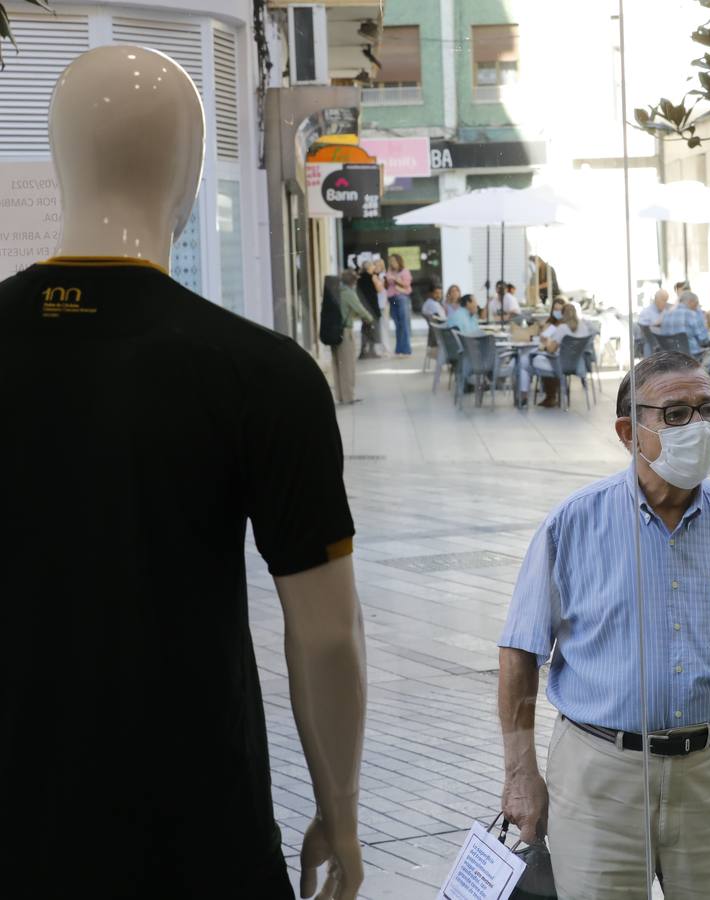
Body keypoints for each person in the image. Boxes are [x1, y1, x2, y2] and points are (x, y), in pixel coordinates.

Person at [1, 44, 367, 900]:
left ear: (59, 164)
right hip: (197, 833)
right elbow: (327, 635)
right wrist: (340, 811)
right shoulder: (262, 376)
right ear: (193, 178)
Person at [498, 351, 710, 900]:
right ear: (628, 431)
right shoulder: (572, 524)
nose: (698, 427)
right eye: (674, 414)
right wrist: (521, 774)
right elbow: (519, 654)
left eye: (708, 409)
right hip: (600, 776)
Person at [517, 300, 589, 407]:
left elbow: (551, 350)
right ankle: (551, 396)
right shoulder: (584, 327)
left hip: (560, 365)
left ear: (563, 314)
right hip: (578, 365)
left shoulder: (562, 328)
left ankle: (538, 397)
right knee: (543, 360)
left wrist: (547, 343)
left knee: (530, 361)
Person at [662, 291, 710, 382]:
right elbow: (703, 339)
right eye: (696, 303)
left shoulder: (666, 314)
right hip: (692, 355)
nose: (697, 307)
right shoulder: (691, 314)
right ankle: (699, 382)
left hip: (671, 356)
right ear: (690, 302)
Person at [333, 270, 374, 405]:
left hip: (334, 331)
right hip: (345, 332)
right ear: (353, 281)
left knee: (337, 364)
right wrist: (370, 318)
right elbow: (360, 309)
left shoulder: (336, 291)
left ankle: (340, 395)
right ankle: (348, 396)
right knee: (348, 365)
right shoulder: (349, 293)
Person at [386, 253, 414, 356]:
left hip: (402, 298)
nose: (392, 262)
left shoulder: (405, 271)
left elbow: (407, 284)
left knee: (404, 323)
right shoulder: (390, 271)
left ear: (398, 261)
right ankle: (398, 349)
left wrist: (396, 280)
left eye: (393, 260)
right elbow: (388, 282)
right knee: (397, 324)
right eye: (390, 261)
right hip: (392, 299)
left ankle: (406, 350)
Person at [356, 260, 383, 359]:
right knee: (373, 329)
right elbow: (380, 289)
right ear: (368, 268)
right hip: (372, 307)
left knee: (365, 329)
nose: (374, 267)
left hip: (363, 306)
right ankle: (372, 351)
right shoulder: (372, 277)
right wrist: (377, 278)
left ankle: (363, 351)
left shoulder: (359, 278)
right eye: (372, 266)